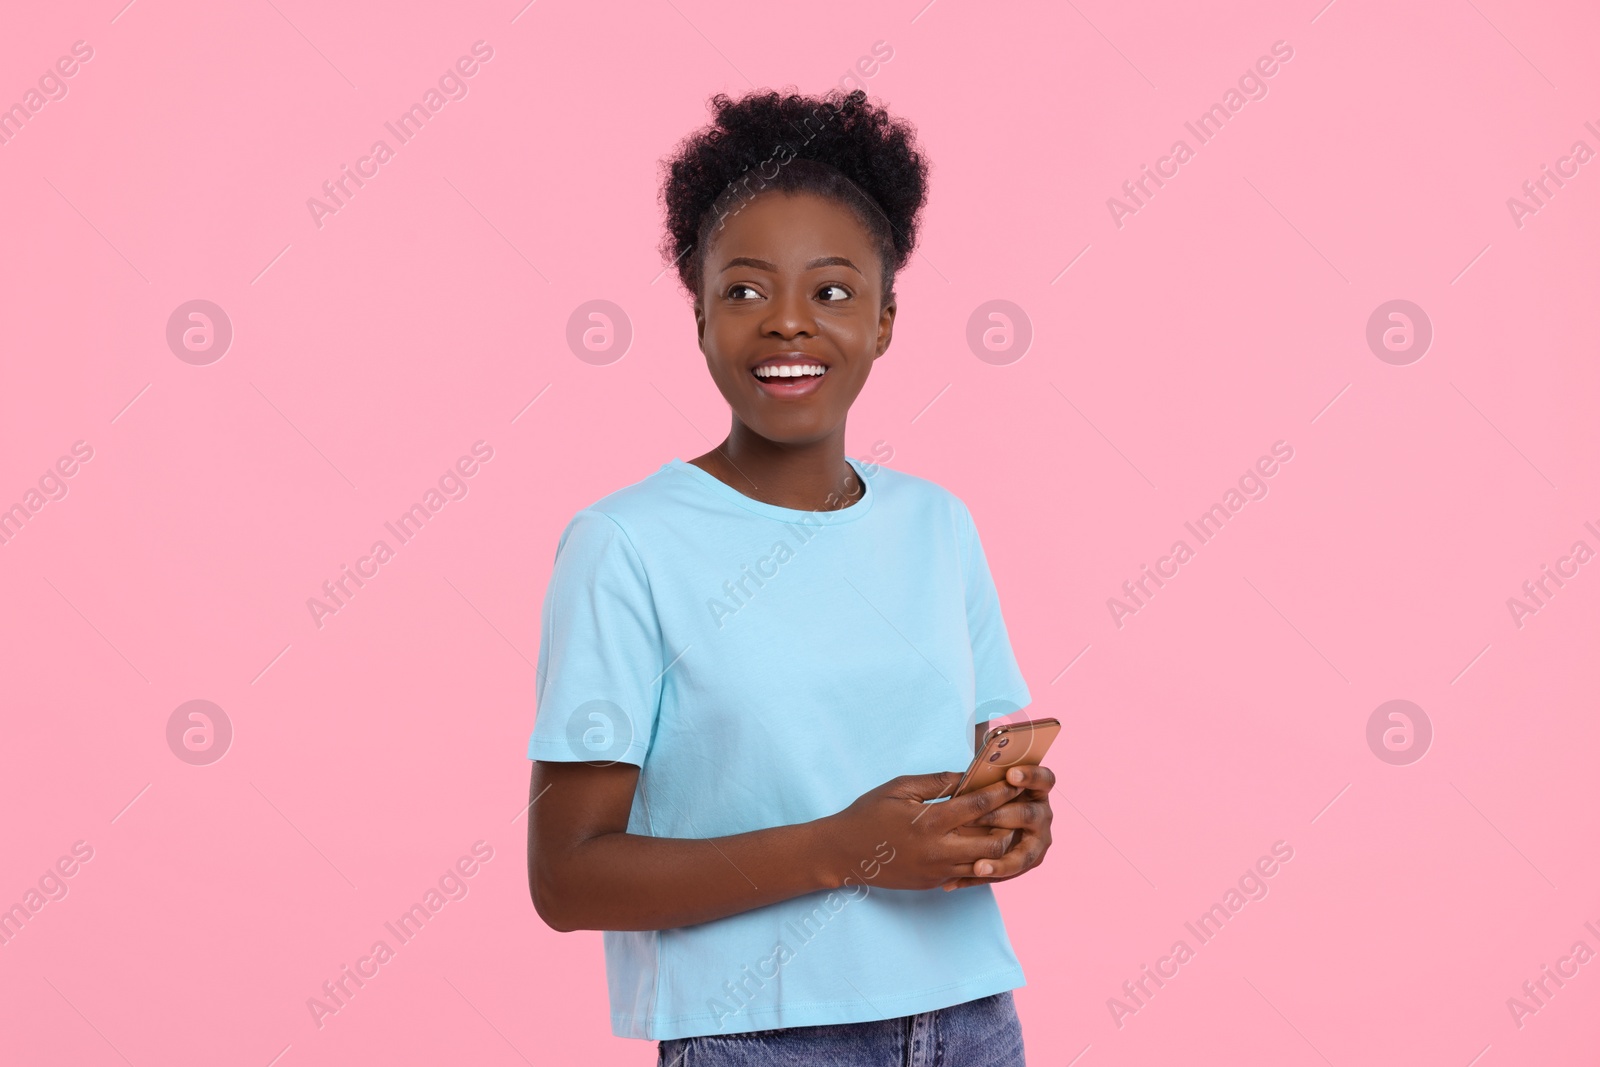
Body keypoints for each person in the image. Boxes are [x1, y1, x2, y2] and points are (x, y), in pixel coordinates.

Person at [525, 87, 1055, 1066]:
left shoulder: (938, 524)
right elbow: (567, 874)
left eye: (833, 290)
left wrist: (1010, 827)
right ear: (698, 313)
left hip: (972, 1016)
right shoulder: (625, 545)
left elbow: (985, 766)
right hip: (758, 1034)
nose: (787, 324)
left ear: (886, 319)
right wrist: (841, 848)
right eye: (745, 289)